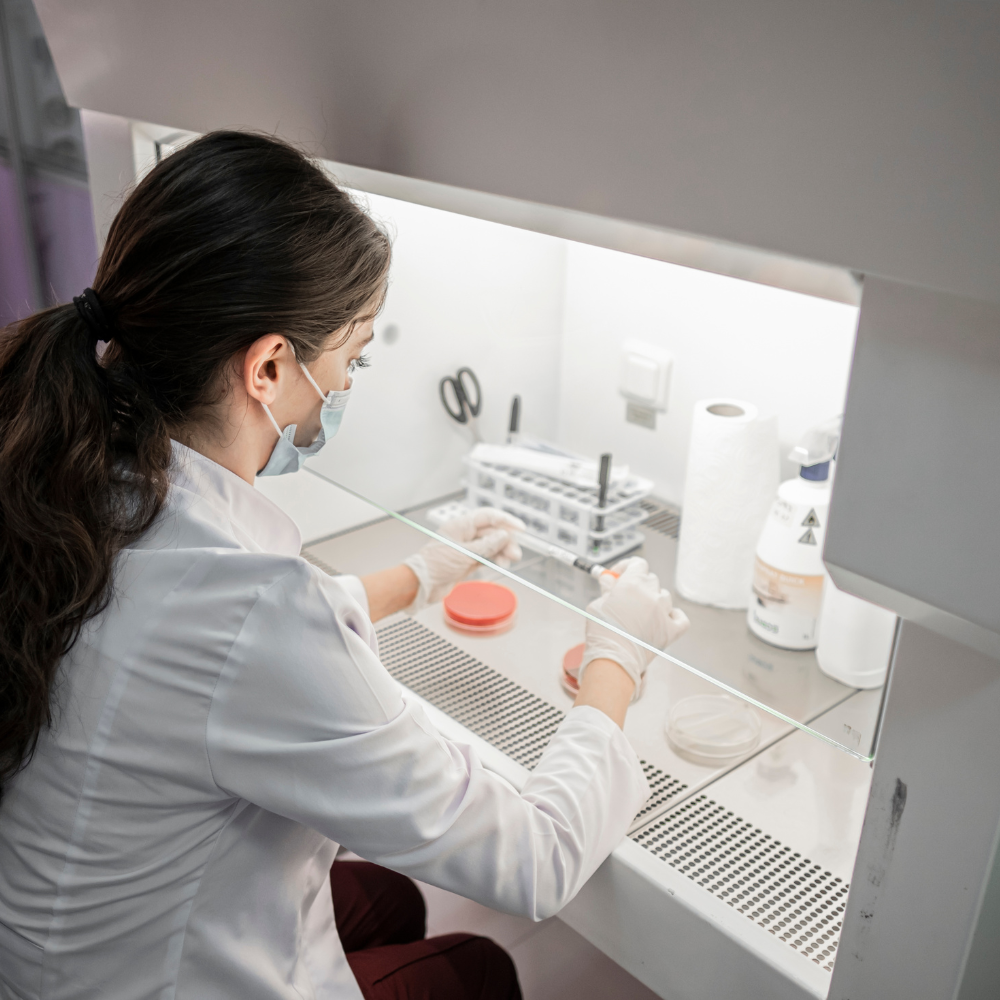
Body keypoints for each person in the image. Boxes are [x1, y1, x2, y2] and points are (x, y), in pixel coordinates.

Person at [0, 131, 690, 1000]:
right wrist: (616, 664)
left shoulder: (71, 478)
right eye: (353, 356)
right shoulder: (252, 610)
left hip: (58, 956)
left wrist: (420, 574)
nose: (353, 383)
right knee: (478, 968)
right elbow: (533, 861)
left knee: (387, 896)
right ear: (270, 366)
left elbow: (192, 640)